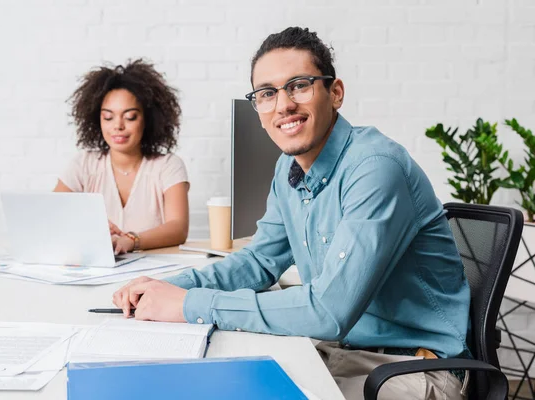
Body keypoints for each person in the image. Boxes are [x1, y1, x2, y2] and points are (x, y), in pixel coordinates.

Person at [112, 28, 470, 399]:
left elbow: (329, 311)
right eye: (267, 94)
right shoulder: (289, 170)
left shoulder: (375, 167)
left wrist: (191, 305)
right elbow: (259, 262)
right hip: (340, 351)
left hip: (412, 368)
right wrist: (171, 288)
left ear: (335, 93)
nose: (282, 105)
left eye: (299, 85)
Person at [54, 59, 189, 252]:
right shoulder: (84, 164)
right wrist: (88, 222)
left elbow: (178, 228)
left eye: (130, 117)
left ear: (148, 119)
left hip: (153, 273)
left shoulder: (168, 165)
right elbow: (52, 213)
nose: (118, 126)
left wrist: (132, 240)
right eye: (108, 117)